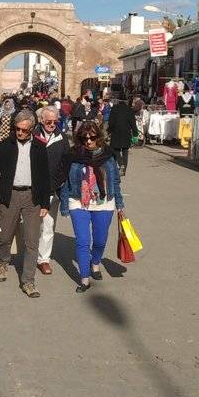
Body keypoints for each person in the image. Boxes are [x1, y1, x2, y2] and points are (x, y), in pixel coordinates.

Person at [0, 109, 51, 298]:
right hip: (10, 195)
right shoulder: (5, 146)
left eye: (24, 130)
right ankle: (3, 261)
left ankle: (28, 281)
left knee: (32, 241)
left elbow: (45, 177)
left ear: (32, 129)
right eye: (17, 129)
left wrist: (45, 204)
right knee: (4, 235)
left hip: (32, 197)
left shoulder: (39, 147)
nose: (19, 133)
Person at [60, 121, 126, 293]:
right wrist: (64, 205)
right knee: (83, 241)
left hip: (104, 203)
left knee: (100, 240)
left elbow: (115, 181)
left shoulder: (108, 155)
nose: (88, 141)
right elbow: (65, 181)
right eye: (84, 138)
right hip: (78, 201)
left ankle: (95, 263)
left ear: (99, 137)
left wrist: (119, 204)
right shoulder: (73, 155)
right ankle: (84, 279)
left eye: (92, 137)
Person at [34, 106, 69, 276]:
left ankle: (43, 259)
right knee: (30, 225)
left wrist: (59, 182)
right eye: (49, 121)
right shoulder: (32, 135)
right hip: (32, 189)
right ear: (41, 120)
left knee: (48, 226)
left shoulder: (61, 138)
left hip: (52, 189)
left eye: (56, 121)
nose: (52, 124)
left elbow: (67, 162)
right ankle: (28, 254)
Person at [106, 92, 138, 175]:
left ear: (118, 100)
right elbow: (133, 123)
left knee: (115, 149)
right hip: (126, 132)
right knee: (125, 150)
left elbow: (111, 122)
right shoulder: (130, 109)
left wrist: (109, 130)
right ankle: (124, 169)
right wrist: (135, 134)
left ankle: (120, 164)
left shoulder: (114, 108)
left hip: (116, 131)